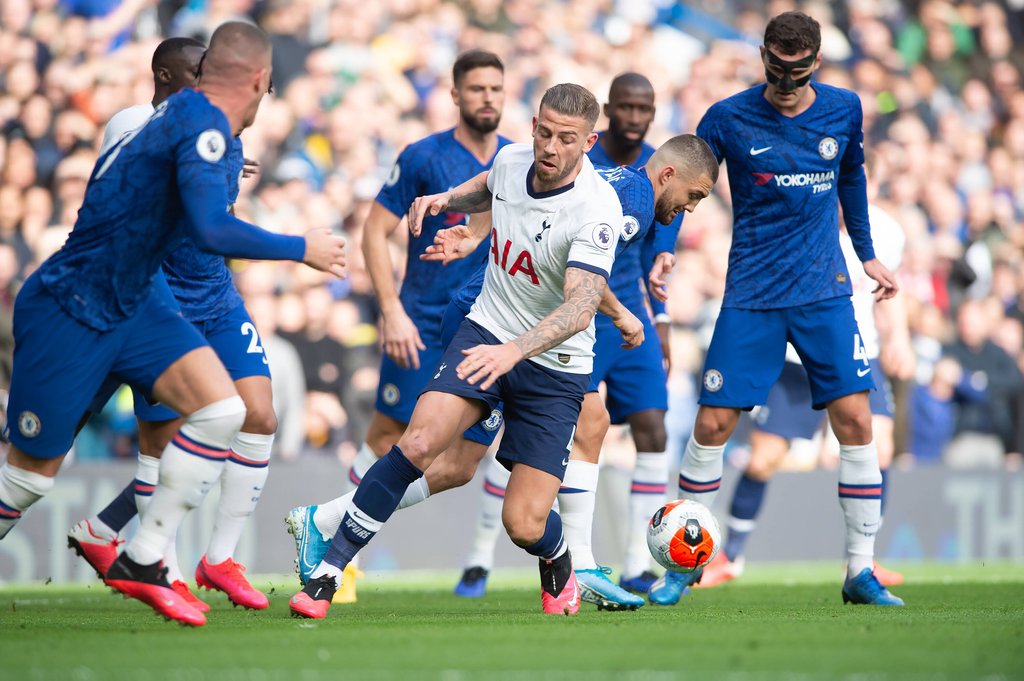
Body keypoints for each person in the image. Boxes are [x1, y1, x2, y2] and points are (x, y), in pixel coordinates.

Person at [0, 21, 346, 627]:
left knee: (224, 411)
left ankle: (144, 556)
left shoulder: (191, 121)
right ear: (260, 81)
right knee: (26, 481)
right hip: (74, 305)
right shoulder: (194, 123)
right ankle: (120, 538)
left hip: (139, 301)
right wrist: (300, 247)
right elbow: (212, 228)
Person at [285, 133, 717, 612]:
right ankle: (583, 564)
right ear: (669, 175)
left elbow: (534, 215)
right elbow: (575, 272)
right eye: (694, 196)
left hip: (500, 317)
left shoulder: (616, 181)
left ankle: (324, 521)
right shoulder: (634, 199)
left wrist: (476, 230)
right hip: (494, 323)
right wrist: (622, 313)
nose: (691, 208)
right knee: (582, 422)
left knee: (456, 467)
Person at [653, 11, 904, 607]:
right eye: (776, 66)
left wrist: (867, 255)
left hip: (824, 289)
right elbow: (681, 178)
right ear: (762, 54)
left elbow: (852, 182)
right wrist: (663, 249)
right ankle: (682, 568)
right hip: (752, 293)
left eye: (797, 70)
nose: (786, 80)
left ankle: (859, 572)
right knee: (713, 424)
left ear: (815, 62)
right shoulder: (728, 117)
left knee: (857, 422)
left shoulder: (844, 110)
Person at [454, 73, 689, 603]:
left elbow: (652, 248)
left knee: (637, 424)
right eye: (625, 107)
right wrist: (469, 230)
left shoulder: (656, 175)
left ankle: (624, 564)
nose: (634, 116)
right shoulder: (585, 167)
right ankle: (480, 556)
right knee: (457, 460)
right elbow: (571, 270)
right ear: (605, 116)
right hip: (553, 314)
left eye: (643, 107)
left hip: (609, 316)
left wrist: (660, 316)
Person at [66, 37, 277, 612]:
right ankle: (162, 566)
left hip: (216, 292)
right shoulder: (135, 122)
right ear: (164, 75)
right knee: (163, 445)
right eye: (196, 75)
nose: (206, 88)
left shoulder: (220, 132)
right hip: (156, 297)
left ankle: (218, 558)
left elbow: (216, 209)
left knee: (257, 414)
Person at [293, 50, 511, 605]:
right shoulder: (423, 155)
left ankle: (327, 525)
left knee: (462, 463)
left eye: (496, 88)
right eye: (477, 88)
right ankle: (342, 561)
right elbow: (374, 232)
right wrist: (390, 310)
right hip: (421, 322)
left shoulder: (518, 161)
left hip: (485, 326)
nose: (488, 97)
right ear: (456, 96)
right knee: (389, 439)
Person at [699, 200, 912, 588]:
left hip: (858, 352)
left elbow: (889, 290)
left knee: (878, 450)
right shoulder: (806, 215)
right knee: (763, 461)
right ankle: (730, 555)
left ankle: (865, 560)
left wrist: (900, 338)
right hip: (796, 358)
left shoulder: (887, 231)